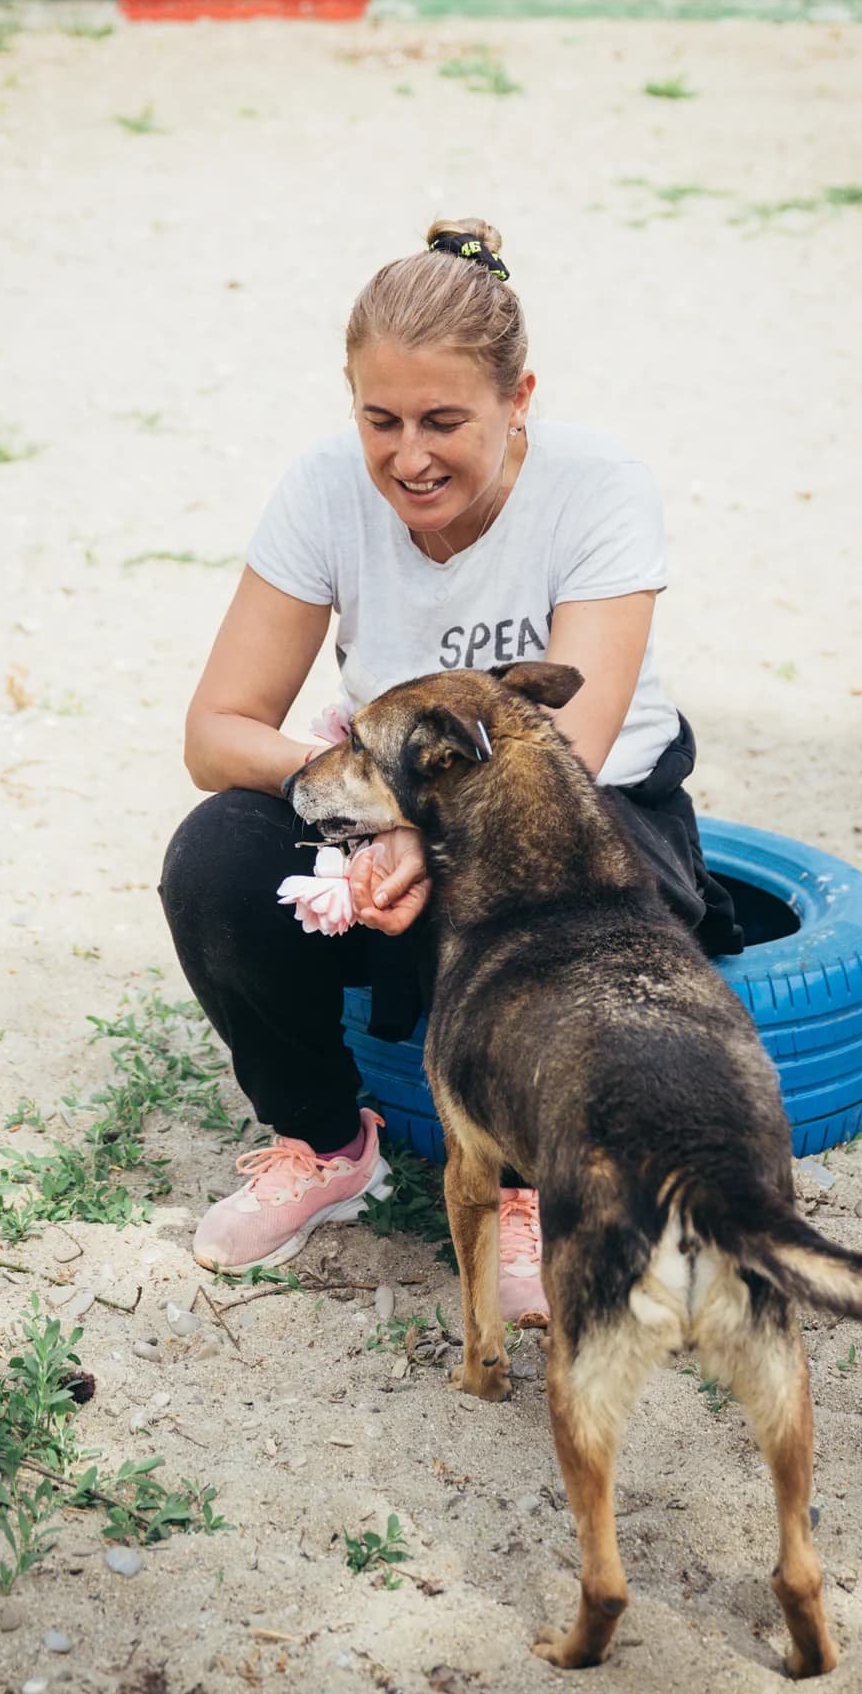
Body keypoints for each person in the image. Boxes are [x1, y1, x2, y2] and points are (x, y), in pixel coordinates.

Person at [159, 216, 741, 1321]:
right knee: (217, 861)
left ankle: (530, 1188)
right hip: (385, 786)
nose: (408, 456)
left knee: (552, 895)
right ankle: (328, 1144)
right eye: (380, 419)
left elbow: (566, 751)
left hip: (582, 801)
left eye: (443, 421)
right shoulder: (326, 487)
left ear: (519, 399)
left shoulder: (598, 485)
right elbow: (217, 728)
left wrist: (421, 844)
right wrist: (364, 819)